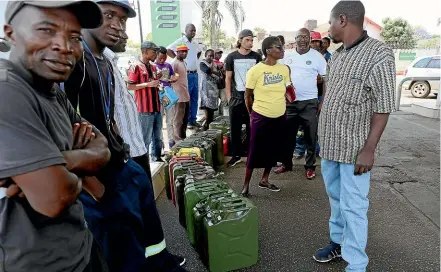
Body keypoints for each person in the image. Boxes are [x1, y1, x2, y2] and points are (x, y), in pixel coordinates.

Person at [63, 1, 186, 271]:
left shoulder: (104, 62)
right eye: (108, 16)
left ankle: (160, 263)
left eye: (123, 19)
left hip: (121, 166)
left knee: (147, 235)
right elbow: (59, 137)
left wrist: (124, 155)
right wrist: (98, 192)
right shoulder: (73, 61)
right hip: (99, 181)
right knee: (120, 255)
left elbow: (107, 118)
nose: (118, 26)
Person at [0, 1, 110, 271]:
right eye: (46, 30)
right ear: (10, 33)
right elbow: (55, 197)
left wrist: (60, 161)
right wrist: (77, 166)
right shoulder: (7, 91)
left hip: (80, 248)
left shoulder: (51, 90)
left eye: (74, 37)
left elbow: (103, 149)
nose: (64, 46)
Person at [314, 2, 396, 272]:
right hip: (330, 145)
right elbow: (330, 92)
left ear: (343, 19)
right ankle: (338, 243)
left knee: (354, 206)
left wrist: (369, 149)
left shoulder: (378, 53)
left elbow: (383, 107)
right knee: (336, 199)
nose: (329, 29)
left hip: (354, 149)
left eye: (330, 23)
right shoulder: (337, 55)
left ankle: (356, 264)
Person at [274, 28, 326, 180]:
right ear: (295, 39)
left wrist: (323, 101)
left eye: (306, 37)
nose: (303, 40)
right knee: (287, 137)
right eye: (299, 37)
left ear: (310, 39)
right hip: (290, 104)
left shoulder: (317, 57)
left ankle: (310, 167)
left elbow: (326, 80)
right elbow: (278, 77)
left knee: (311, 137)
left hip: (309, 103)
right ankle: (286, 164)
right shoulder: (287, 56)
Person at [241, 36, 290, 196]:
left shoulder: (284, 69)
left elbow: (287, 90)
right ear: (269, 51)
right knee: (254, 150)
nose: (282, 50)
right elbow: (247, 96)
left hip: (280, 116)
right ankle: (246, 185)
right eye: (279, 47)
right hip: (260, 116)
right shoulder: (255, 71)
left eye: (282, 47)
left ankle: (264, 179)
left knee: (273, 150)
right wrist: (251, 114)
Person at [103, 29, 152, 180]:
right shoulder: (100, 65)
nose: (126, 35)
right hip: (126, 152)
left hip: (135, 147)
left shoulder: (111, 62)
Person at [224, 29, 262, 167]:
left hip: (252, 98)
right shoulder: (231, 57)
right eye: (247, 40)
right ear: (240, 40)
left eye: (252, 40)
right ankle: (236, 155)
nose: (250, 43)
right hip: (236, 98)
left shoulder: (257, 57)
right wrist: (229, 97)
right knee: (235, 128)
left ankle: (253, 154)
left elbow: (260, 77)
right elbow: (228, 78)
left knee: (253, 127)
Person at [127, 41, 164, 162]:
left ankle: (156, 158)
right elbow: (130, 86)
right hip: (144, 109)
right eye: (154, 52)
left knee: (158, 137)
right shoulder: (135, 66)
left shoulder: (153, 67)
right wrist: (148, 84)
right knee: (145, 139)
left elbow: (154, 82)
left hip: (156, 107)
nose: (156, 54)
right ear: (145, 51)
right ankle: (144, 163)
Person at [167, 24, 202, 129]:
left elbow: (199, 52)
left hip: (195, 74)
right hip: (186, 75)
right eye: (191, 30)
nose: (193, 32)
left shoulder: (195, 43)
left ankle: (193, 120)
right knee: (186, 99)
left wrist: (193, 60)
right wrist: (180, 60)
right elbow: (169, 49)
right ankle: (186, 122)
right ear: (186, 31)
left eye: (194, 30)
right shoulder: (181, 41)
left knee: (195, 98)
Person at [156, 46, 178, 148]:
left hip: (167, 94)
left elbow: (173, 76)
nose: (162, 60)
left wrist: (173, 78)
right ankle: (161, 144)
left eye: (164, 58)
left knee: (170, 120)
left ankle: (171, 141)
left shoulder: (168, 65)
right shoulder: (152, 66)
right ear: (156, 55)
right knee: (159, 121)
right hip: (158, 95)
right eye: (160, 58)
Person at [171, 43, 191, 142]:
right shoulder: (174, 63)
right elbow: (168, 78)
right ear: (177, 52)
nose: (184, 53)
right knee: (178, 120)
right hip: (178, 96)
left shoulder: (183, 62)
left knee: (185, 119)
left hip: (185, 94)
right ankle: (177, 140)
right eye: (182, 51)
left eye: (185, 51)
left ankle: (183, 138)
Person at [200, 49, 221, 130]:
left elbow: (219, 74)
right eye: (209, 56)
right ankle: (206, 125)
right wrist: (212, 63)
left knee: (212, 108)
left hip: (213, 89)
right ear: (205, 56)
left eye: (212, 56)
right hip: (205, 89)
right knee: (206, 106)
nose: (211, 57)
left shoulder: (215, 64)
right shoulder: (202, 63)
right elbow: (208, 71)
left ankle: (210, 124)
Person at [214, 48, 228, 116]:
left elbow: (225, 72)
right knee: (215, 101)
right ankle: (215, 116)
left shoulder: (221, 63)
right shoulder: (212, 62)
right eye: (218, 53)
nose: (219, 55)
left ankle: (221, 114)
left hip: (222, 84)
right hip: (214, 85)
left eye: (220, 53)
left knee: (224, 100)